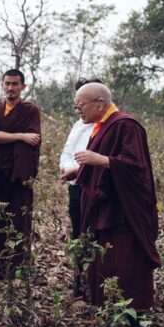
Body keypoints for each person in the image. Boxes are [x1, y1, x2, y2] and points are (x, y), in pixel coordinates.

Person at [74, 83, 160, 324]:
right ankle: (109, 317)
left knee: (126, 266)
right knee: (105, 264)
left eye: (80, 105)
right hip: (105, 211)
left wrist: (99, 159)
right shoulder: (101, 126)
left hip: (123, 213)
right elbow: (105, 167)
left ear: (100, 103)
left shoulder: (125, 125)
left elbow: (136, 167)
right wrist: (79, 171)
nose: (77, 110)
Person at [0, 69, 41, 276]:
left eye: (15, 84)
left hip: (18, 176)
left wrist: (11, 137)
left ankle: (16, 266)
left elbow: (35, 139)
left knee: (18, 220)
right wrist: (21, 136)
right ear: (2, 85)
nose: (11, 88)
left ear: (23, 86)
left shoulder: (30, 111)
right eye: (7, 83)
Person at [59, 77, 102, 295]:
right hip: (75, 186)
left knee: (95, 235)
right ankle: (79, 282)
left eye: (83, 102)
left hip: (95, 188)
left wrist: (77, 170)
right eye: (77, 101)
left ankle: (96, 284)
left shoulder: (108, 127)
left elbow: (101, 160)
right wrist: (68, 168)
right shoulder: (78, 124)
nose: (79, 107)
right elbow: (68, 151)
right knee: (78, 234)